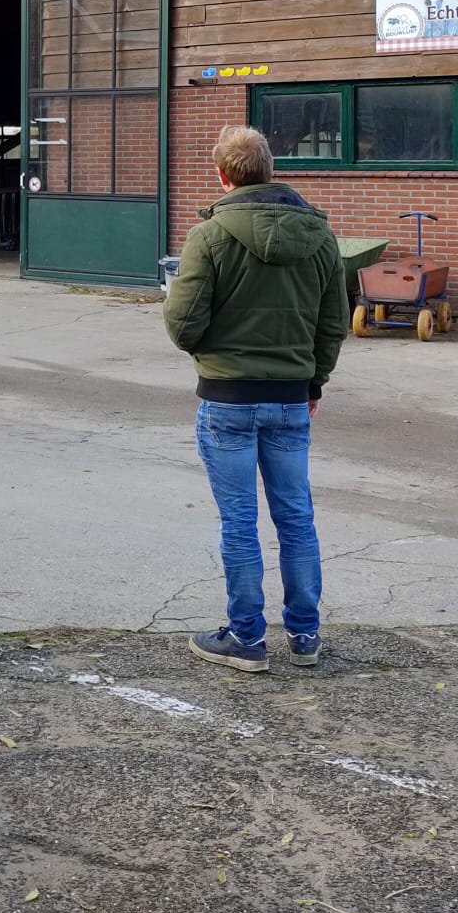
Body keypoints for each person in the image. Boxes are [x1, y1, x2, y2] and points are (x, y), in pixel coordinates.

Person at [162, 124, 348, 674]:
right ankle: (306, 636)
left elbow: (184, 324)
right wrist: (313, 383)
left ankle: (246, 639)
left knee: (239, 521)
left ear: (223, 176)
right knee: (296, 516)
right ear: (271, 170)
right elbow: (333, 323)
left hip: (228, 397)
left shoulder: (211, 235)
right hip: (292, 397)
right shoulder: (320, 235)